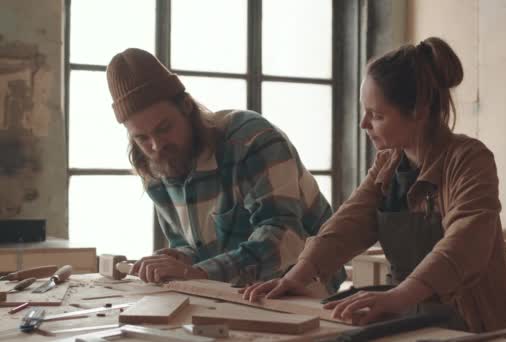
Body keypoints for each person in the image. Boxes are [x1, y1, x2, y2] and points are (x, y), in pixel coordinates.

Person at [242, 37, 506, 332]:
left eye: (377, 115)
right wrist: (297, 275)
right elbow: (347, 224)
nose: (364, 124)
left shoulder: (469, 159)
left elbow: (464, 245)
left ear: (419, 110)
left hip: (472, 321)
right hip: (410, 311)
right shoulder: (388, 164)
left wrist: (399, 296)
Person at [105, 48, 345, 293]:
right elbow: (193, 247)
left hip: (307, 287)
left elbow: (283, 237)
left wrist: (196, 272)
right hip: (231, 293)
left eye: (164, 128)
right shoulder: (155, 164)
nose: (156, 145)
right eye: (142, 138)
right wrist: (179, 259)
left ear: (186, 106)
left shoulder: (252, 140)